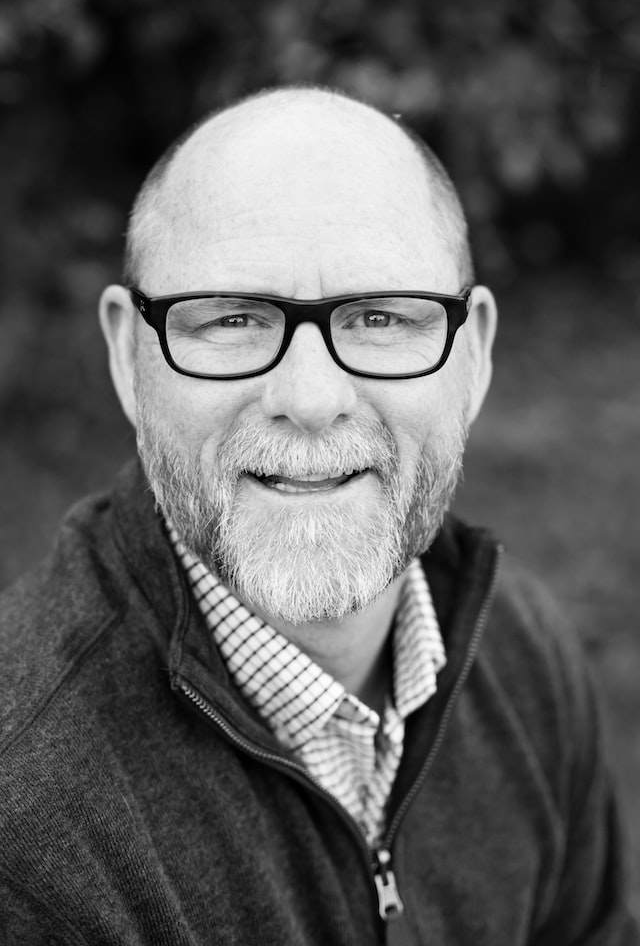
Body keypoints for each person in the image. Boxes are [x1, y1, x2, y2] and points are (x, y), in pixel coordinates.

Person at [0, 86, 636, 946]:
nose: (309, 399)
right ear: (127, 356)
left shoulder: (521, 650)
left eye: (379, 317)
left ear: (475, 357)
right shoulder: (27, 841)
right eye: (233, 317)